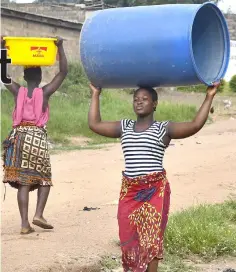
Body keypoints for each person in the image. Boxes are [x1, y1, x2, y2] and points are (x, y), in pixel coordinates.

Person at [88, 81, 220, 272]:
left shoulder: (163, 129)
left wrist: (209, 96)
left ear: (155, 104)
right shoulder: (124, 127)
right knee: (128, 237)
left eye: (145, 99)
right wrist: (95, 94)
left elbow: (194, 125)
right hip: (129, 192)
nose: (139, 102)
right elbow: (94, 124)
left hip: (154, 190)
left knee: (151, 239)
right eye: (136, 99)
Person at [1, 36, 68, 235]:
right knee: (44, 178)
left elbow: (3, 75)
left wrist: (1, 49)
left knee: (23, 181)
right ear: (39, 77)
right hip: (36, 137)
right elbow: (63, 72)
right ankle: (38, 214)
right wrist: (60, 48)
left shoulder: (17, 91)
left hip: (19, 137)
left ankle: (24, 224)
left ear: (24, 76)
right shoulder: (45, 92)